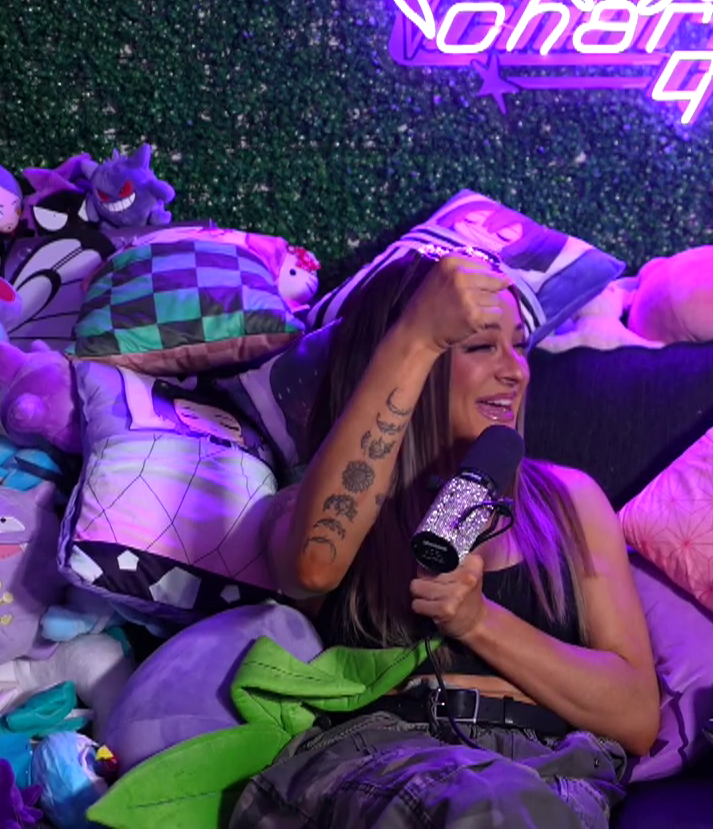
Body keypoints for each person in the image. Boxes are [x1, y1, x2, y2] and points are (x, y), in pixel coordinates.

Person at [240, 244, 659, 829]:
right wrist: (417, 334)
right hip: (388, 756)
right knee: (487, 807)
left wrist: (478, 621)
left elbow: (636, 717)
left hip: (553, 772)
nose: (515, 371)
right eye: (481, 346)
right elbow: (311, 567)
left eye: (519, 346)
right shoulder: (315, 501)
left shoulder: (569, 502)